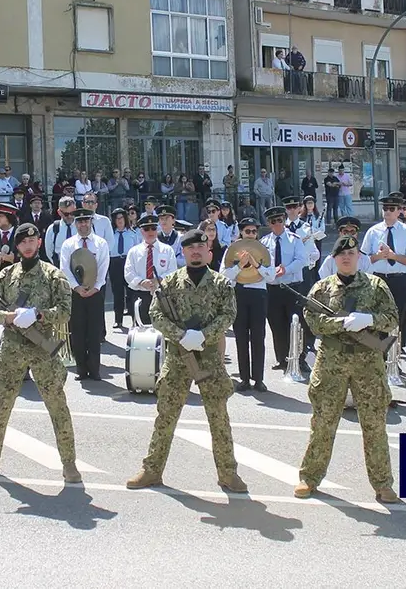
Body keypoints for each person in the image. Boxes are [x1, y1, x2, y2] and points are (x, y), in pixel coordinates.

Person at [126, 230, 245, 493]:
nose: (196, 251)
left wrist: (203, 335)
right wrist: (181, 336)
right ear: (184, 252)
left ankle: (228, 474)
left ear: (209, 252)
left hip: (210, 359)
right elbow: (155, 314)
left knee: (219, 418)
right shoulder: (169, 283)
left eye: (201, 247)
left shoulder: (222, 284)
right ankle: (151, 470)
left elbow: (228, 315)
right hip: (178, 358)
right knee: (166, 415)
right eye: (191, 248)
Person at [0, 223, 81, 483]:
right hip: (11, 349)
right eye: (23, 242)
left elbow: (65, 311)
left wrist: (40, 314)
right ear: (17, 246)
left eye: (32, 241)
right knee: (0, 405)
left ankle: (69, 464)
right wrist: (8, 317)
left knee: (57, 406)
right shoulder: (6, 276)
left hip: (43, 349)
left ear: (39, 243)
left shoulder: (54, 276)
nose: (28, 245)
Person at [297, 234, 400, 503]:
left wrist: (368, 319)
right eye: (341, 254)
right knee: (323, 422)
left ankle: (383, 483)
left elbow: (392, 319)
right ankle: (309, 478)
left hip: (368, 364)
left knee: (375, 424)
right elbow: (313, 321)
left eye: (351, 253)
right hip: (331, 362)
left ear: (359, 257)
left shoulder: (376, 285)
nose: (346, 257)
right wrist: (341, 325)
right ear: (333, 259)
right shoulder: (321, 288)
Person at [220, 217, 276, 392]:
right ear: (241, 232)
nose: (251, 234)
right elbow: (223, 275)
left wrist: (256, 264)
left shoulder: (264, 251)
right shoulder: (232, 250)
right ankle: (244, 379)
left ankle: (258, 379)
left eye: (254, 231)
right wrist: (240, 266)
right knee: (241, 337)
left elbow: (271, 276)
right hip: (239, 294)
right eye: (247, 231)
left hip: (259, 294)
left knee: (258, 337)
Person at [361, 193, 406, 351]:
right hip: (379, 279)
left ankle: (396, 351)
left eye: (391, 208)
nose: (387, 211)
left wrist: (393, 256)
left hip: (400, 280)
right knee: (378, 317)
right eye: (385, 208)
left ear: (399, 211)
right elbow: (362, 259)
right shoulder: (373, 232)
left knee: (399, 317)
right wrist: (378, 256)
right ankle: (381, 352)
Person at [60, 208, 109, 381]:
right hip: (76, 294)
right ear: (75, 224)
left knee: (94, 332)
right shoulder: (68, 245)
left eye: (86, 221)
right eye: (80, 221)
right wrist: (76, 288)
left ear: (91, 222)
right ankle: (81, 369)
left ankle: (95, 370)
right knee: (78, 331)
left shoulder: (101, 243)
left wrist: (95, 287)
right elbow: (64, 269)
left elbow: (103, 267)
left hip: (95, 293)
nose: (83, 224)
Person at [261, 205, 308, 373]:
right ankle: (282, 358)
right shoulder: (264, 242)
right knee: (276, 324)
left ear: (284, 220)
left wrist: (286, 269)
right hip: (273, 288)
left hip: (292, 287)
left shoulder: (294, 239)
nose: (277, 224)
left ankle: (300, 359)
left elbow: (302, 260)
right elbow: (262, 264)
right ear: (269, 224)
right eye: (273, 222)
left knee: (296, 323)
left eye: (280, 220)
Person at [123, 213, 178, 326]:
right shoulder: (134, 251)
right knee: (141, 332)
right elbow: (128, 273)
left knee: (163, 331)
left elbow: (173, 271)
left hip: (162, 296)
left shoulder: (167, 250)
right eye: (146, 229)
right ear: (141, 231)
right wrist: (142, 282)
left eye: (153, 228)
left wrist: (158, 280)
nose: (150, 232)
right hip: (140, 295)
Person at [108, 208, 138, 329]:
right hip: (115, 263)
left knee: (131, 292)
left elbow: (137, 250)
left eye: (121, 218)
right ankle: (118, 320)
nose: (119, 221)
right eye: (117, 218)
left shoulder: (133, 233)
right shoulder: (110, 234)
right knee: (117, 293)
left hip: (128, 262)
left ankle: (134, 320)